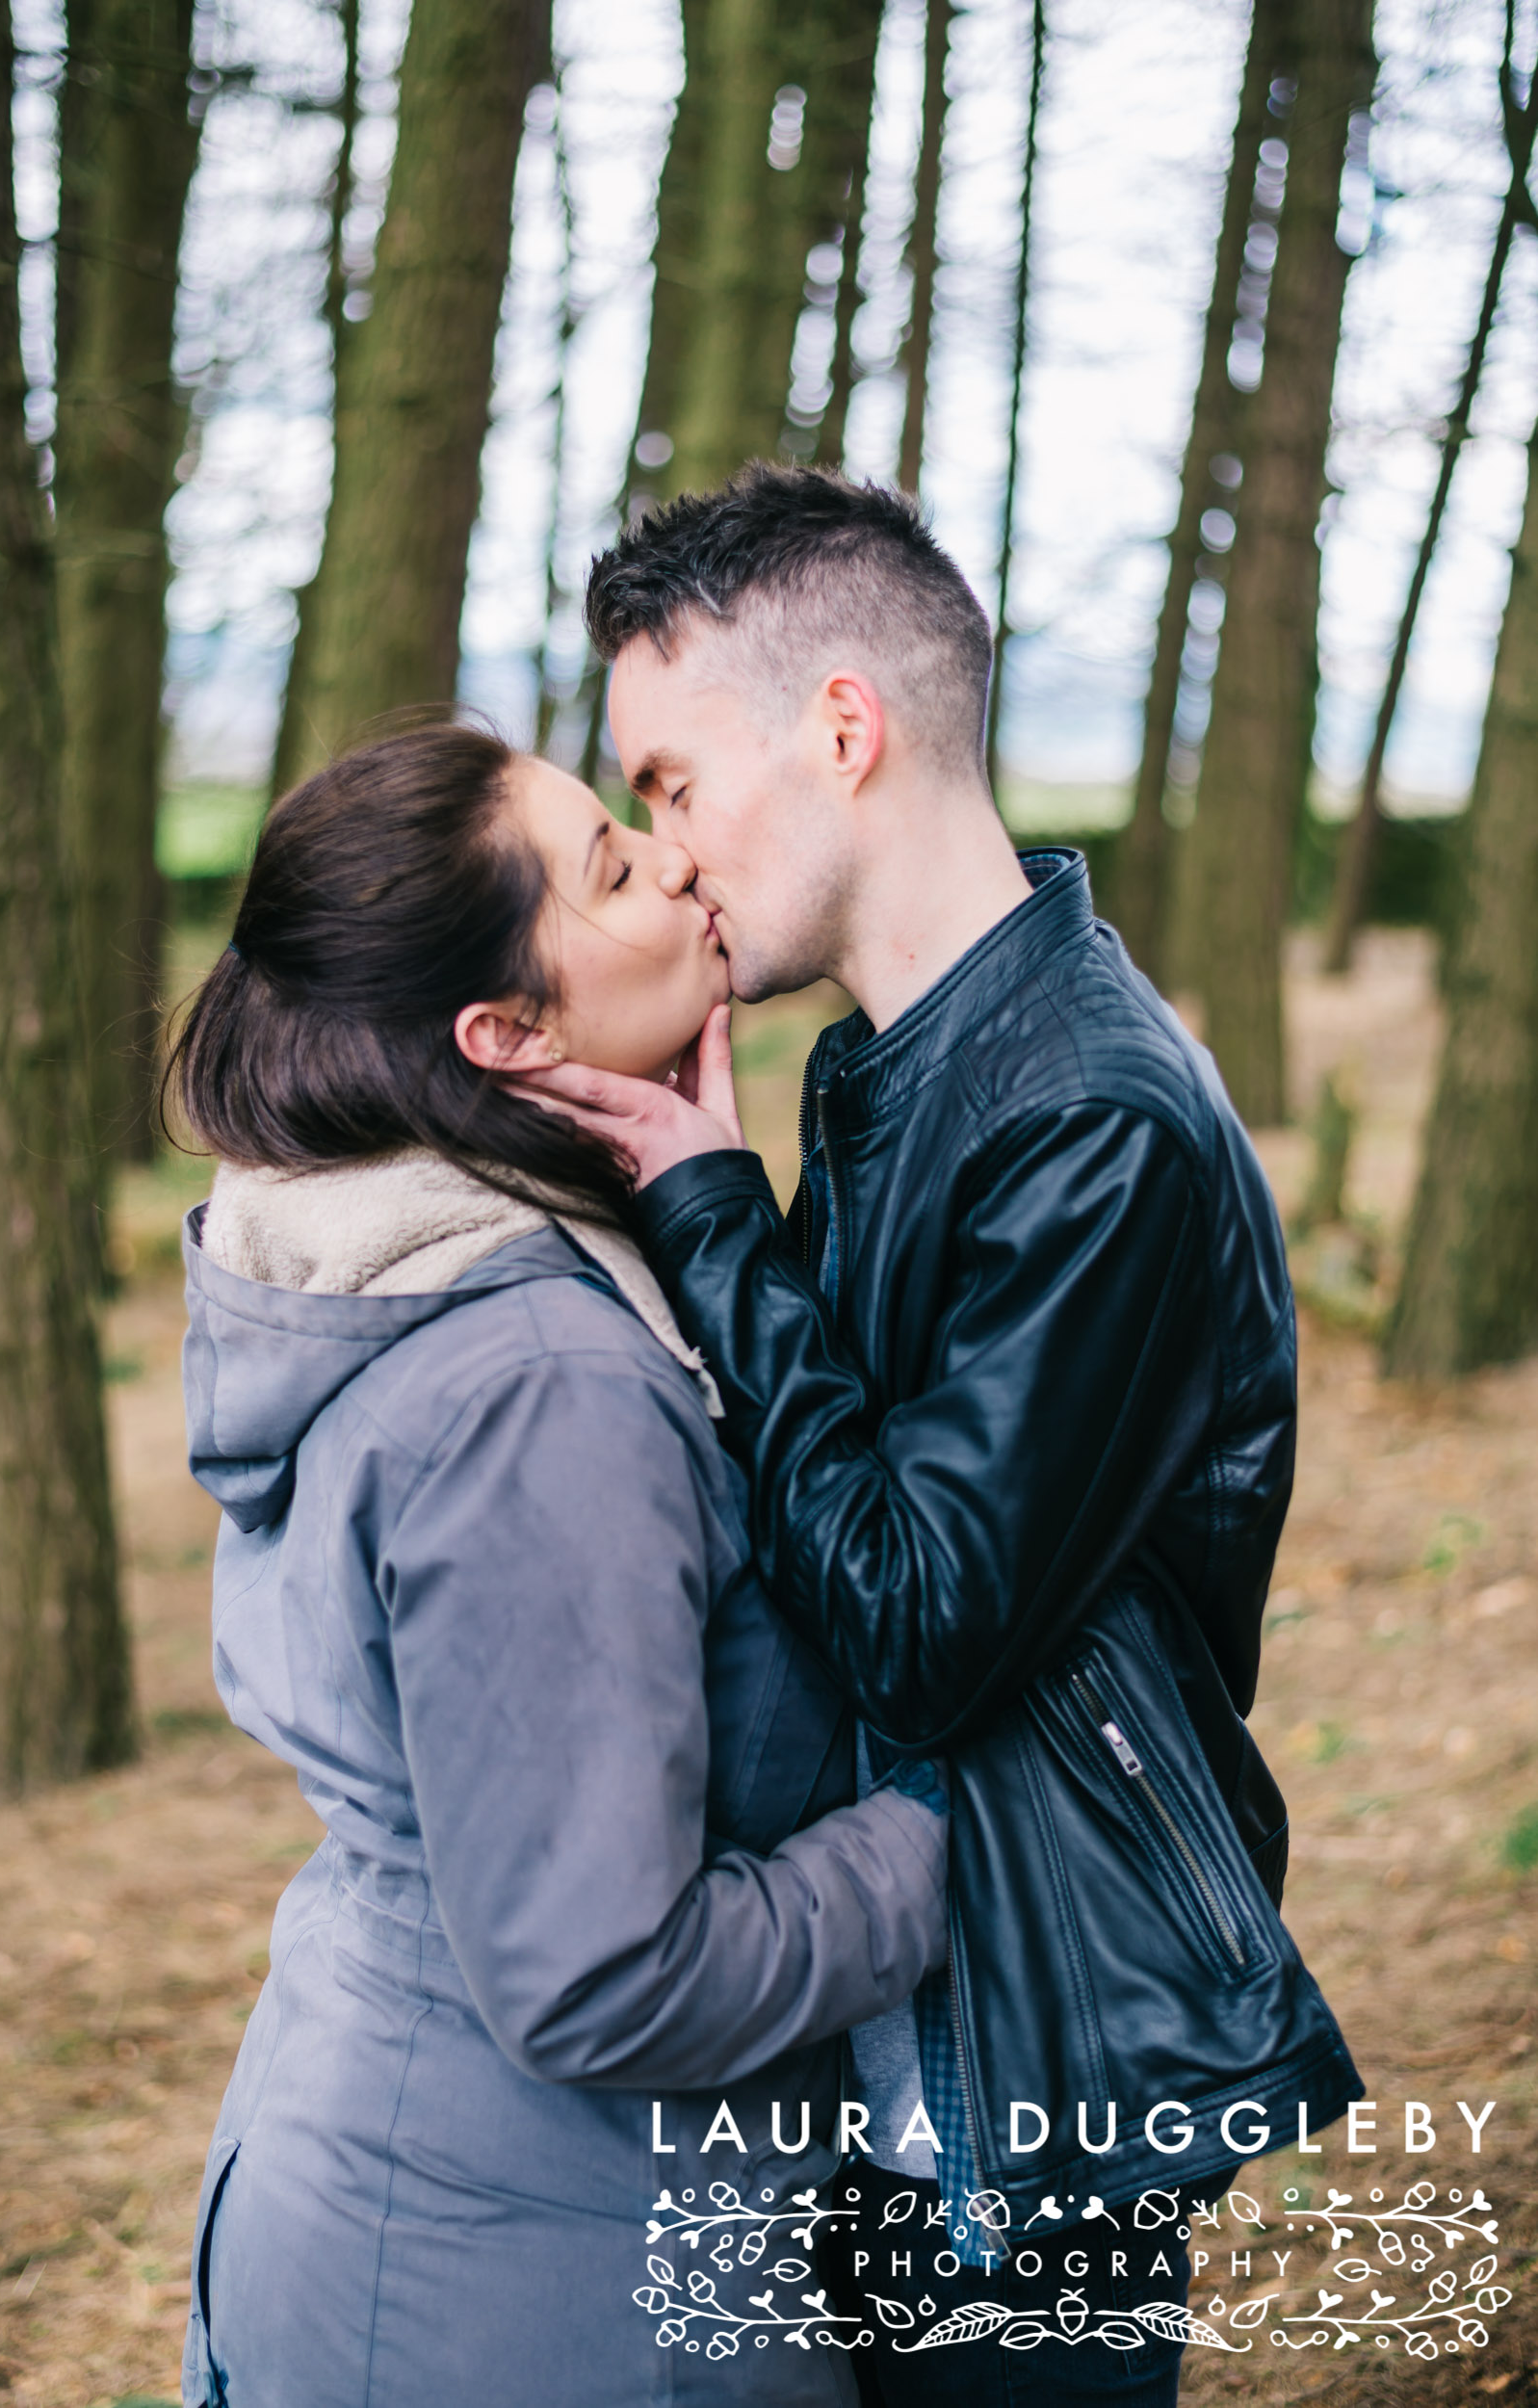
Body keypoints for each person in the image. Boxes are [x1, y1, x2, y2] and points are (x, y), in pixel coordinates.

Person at [527, 465, 1363, 2405]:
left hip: (1031, 2073)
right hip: (888, 2026)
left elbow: (909, 1609)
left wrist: (714, 1212)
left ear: (841, 727)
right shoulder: (901, 1069)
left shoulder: (1090, 1112)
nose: (663, 849)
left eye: (666, 781)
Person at [169, 724, 951, 2408]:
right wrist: (943, 1842)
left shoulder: (417, 1249)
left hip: (433, 2182)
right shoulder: (540, 1386)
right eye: (609, 865)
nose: (670, 858)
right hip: (526, 2283)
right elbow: (605, 1976)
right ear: (506, 1034)